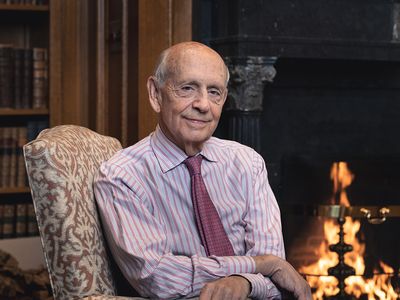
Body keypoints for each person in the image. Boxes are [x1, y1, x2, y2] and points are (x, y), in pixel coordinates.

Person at [94, 41, 311, 300]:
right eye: (187, 88)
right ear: (155, 94)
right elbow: (157, 278)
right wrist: (259, 265)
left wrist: (245, 283)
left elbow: (279, 275)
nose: (203, 104)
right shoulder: (122, 177)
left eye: (214, 92)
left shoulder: (247, 163)